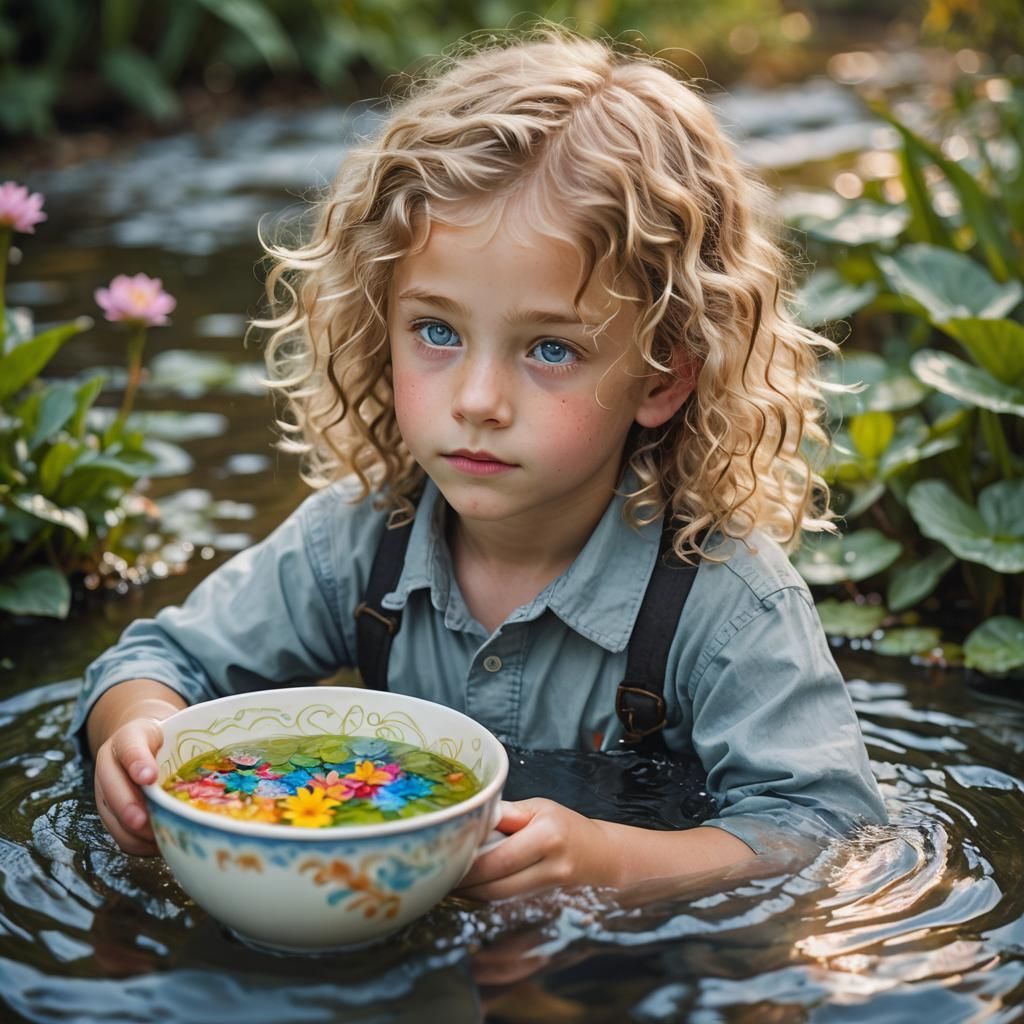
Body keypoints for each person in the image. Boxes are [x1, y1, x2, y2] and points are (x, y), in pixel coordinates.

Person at [70, 23, 887, 901]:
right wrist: (142, 734)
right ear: (377, 323)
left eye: (549, 349)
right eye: (436, 332)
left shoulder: (724, 604)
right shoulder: (359, 541)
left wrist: (613, 866)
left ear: (663, 375)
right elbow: (156, 659)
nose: (478, 399)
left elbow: (830, 834)